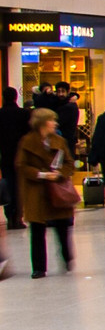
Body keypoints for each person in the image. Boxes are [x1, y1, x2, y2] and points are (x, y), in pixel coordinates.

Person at [15, 108, 75, 278]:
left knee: (63, 227)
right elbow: (21, 165)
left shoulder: (60, 141)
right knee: (37, 229)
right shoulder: (27, 142)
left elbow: (69, 163)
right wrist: (41, 174)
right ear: (42, 123)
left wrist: (59, 174)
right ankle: (39, 268)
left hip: (57, 189)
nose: (55, 123)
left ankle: (67, 256)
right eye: (51, 120)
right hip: (37, 190)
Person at [0, 87, 30, 229]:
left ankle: (9, 216)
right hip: (21, 156)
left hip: (5, 156)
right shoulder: (23, 114)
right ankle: (18, 216)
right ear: (16, 97)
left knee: (8, 185)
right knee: (19, 187)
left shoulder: (1, 114)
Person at [51, 82, 79, 156]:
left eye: (63, 91)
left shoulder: (68, 107)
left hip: (65, 141)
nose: (60, 94)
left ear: (68, 92)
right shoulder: (63, 104)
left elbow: (59, 122)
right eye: (58, 91)